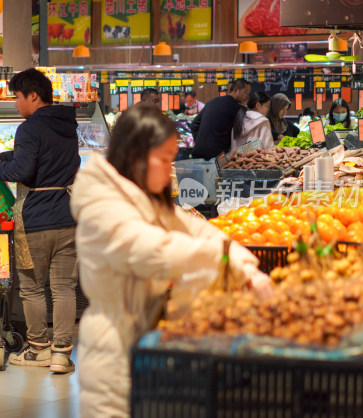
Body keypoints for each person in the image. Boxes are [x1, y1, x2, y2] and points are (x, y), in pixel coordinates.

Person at [70, 104, 273, 417]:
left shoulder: (148, 200)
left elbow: (201, 231)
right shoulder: (101, 206)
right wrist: (220, 259)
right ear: (136, 155)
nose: (170, 169)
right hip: (115, 356)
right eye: (164, 159)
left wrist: (248, 271)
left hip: (151, 348)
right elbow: (152, 250)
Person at [0, 68, 80, 374]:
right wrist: (4, 155)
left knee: (33, 288)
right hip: (67, 214)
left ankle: (38, 349)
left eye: (17, 97)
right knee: (64, 287)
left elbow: (22, 172)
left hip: (36, 217)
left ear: (33, 95)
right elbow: (38, 156)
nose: (15, 104)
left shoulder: (29, 128)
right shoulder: (66, 124)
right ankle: (61, 353)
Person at [189, 78, 251, 159]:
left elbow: (194, 125)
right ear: (236, 90)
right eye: (246, 92)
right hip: (217, 158)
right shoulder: (238, 109)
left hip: (197, 154)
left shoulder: (213, 101)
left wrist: (201, 144)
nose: (247, 97)